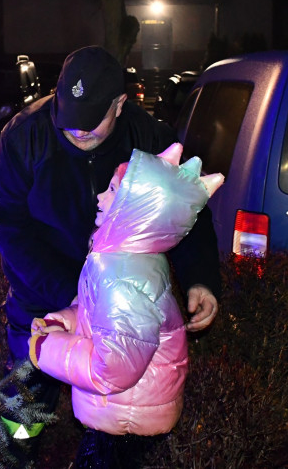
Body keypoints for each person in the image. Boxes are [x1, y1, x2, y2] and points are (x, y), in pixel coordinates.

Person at [0, 45, 222, 450]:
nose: (79, 131)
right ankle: (17, 454)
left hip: (120, 305)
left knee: (113, 406)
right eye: (70, 119)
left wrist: (200, 278)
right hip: (42, 296)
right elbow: (7, 222)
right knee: (25, 396)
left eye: (91, 120)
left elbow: (183, 212)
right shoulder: (25, 134)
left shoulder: (149, 137)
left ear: (119, 104)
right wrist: (69, 293)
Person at [28, 144, 224, 468]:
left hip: (125, 421)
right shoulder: (124, 258)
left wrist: (46, 348)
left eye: (112, 190)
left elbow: (112, 370)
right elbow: (101, 315)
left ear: (135, 209)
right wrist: (67, 320)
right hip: (121, 410)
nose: (99, 197)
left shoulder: (124, 278)